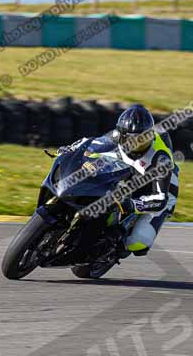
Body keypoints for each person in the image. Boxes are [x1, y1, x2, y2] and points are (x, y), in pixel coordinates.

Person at [59, 104, 180, 256]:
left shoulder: (160, 159)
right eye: (133, 140)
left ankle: (115, 247)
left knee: (138, 242)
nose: (139, 145)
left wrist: (133, 204)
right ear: (121, 135)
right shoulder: (115, 137)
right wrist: (70, 150)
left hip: (162, 186)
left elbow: (160, 199)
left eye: (144, 139)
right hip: (131, 170)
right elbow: (89, 143)